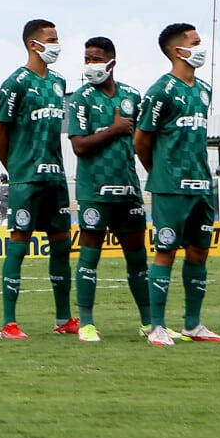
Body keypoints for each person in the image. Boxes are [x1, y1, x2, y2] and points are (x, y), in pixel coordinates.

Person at [135, 23, 220, 345]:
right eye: (196, 42)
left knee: (199, 253)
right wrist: (162, 173)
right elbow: (141, 141)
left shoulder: (204, 89)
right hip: (171, 188)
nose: (202, 46)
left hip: (201, 186)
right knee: (165, 253)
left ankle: (193, 325)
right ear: (178, 51)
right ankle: (157, 328)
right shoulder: (160, 91)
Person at [0, 19, 75, 339]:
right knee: (19, 245)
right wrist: (16, 169)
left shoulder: (58, 82)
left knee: (61, 247)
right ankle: (9, 323)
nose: (57, 44)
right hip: (26, 181)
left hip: (55, 180)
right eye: (51, 39)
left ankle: (64, 319)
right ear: (33, 44)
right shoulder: (15, 83)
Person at [67, 36, 153, 342]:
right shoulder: (80, 99)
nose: (91, 64)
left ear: (112, 62)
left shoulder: (132, 96)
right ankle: (87, 323)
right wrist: (114, 130)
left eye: (96, 59)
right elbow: (78, 146)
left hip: (128, 190)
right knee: (90, 256)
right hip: (94, 191)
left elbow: (142, 139)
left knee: (138, 258)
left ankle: (149, 322)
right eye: (87, 58)